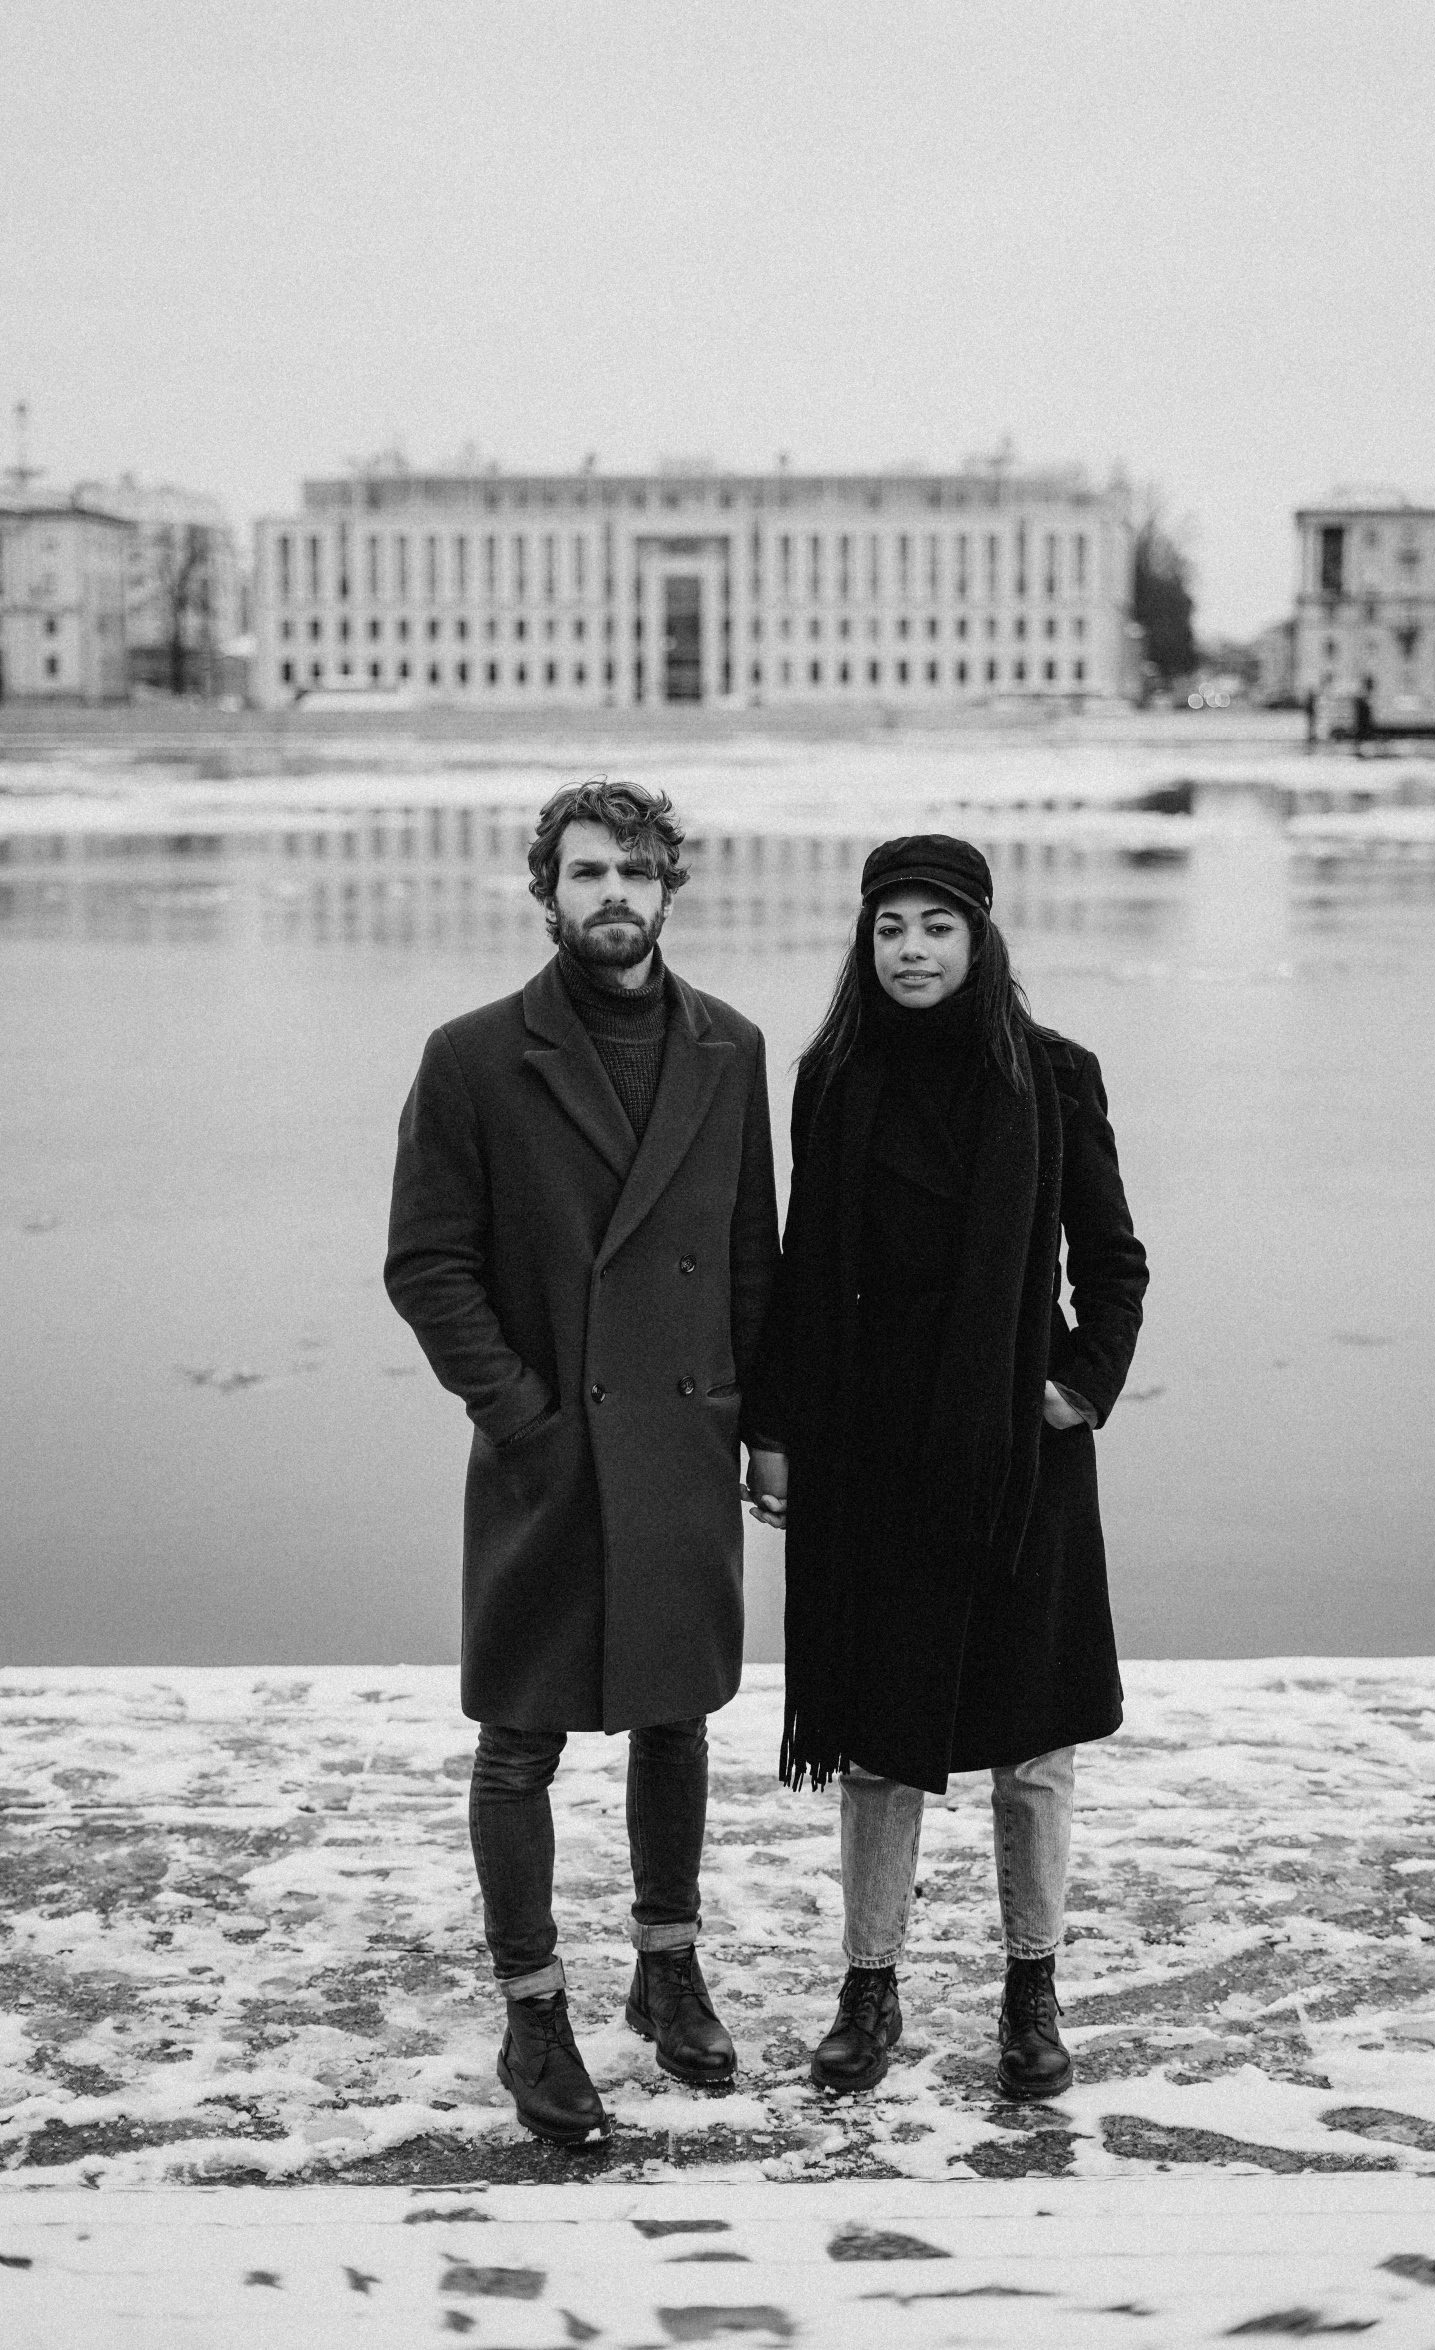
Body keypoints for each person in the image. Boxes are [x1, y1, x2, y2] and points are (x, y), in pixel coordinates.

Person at [385, 779, 779, 2145]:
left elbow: (749, 1261)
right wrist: (527, 1414)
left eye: (635, 872)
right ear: (542, 890)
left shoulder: (730, 1046)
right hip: (546, 1449)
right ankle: (534, 2005)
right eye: (586, 871)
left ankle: (666, 1971)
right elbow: (426, 1266)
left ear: (671, 887)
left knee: (677, 1715)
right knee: (519, 1738)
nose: (612, 894)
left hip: (677, 1434)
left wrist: (763, 1424)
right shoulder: (475, 1057)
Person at [744, 835, 1148, 2101]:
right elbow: (805, 1271)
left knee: (1029, 1745)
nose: (910, 950)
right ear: (863, 945)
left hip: (1015, 1458)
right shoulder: (832, 1077)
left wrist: (1077, 1386)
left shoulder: (1052, 1076)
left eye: (935, 926)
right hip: (871, 1451)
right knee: (877, 1735)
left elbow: (1115, 1262)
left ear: (980, 938)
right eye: (888, 928)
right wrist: (777, 1429)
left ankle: (1033, 1992)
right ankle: (869, 1991)